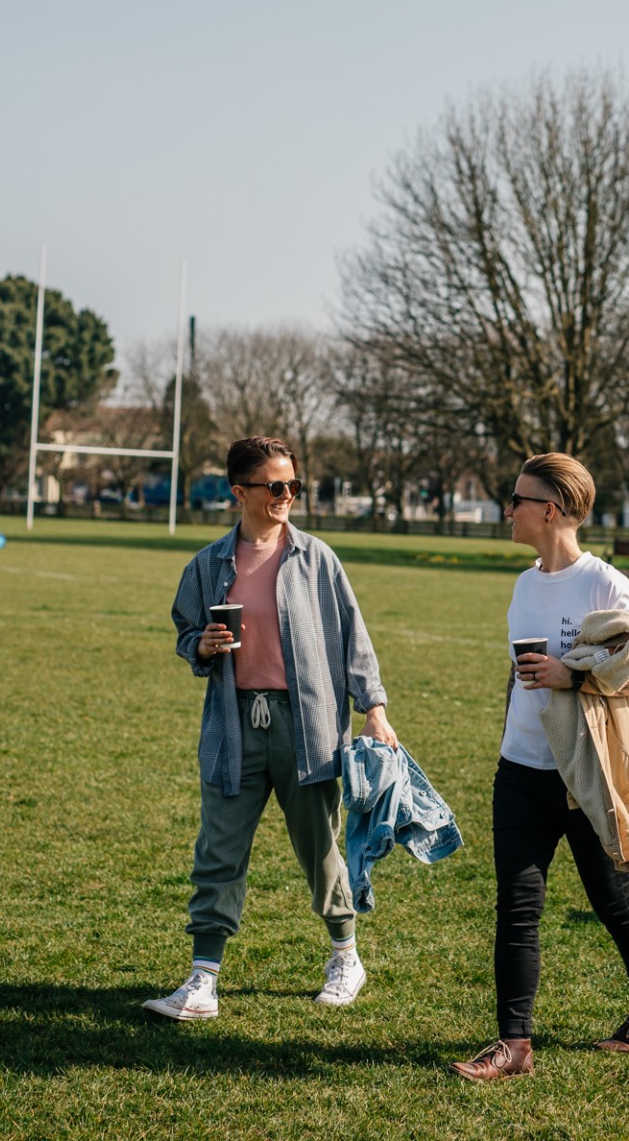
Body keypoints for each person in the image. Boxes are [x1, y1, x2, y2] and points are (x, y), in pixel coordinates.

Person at [145, 435, 398, 1023]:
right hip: (234, 727)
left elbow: (352, 637)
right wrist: (200, 646)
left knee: (321, 848)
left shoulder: (317, 559)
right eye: (275, 486)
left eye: (293, 486)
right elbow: (186, 631)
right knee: (219, 851)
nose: (287, 496)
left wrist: (375, 706)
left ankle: (345, 956)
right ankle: (203, 980)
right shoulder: (207, 565)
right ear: (240, 493)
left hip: (307, 727)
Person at [451, 452, 629, 1083]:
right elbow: (516, 678)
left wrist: (572, 674)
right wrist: (505, 741)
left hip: (587, 776)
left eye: (517, 499)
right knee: (516, 908)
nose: (508, 509)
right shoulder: (524, 585)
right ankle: (513, 1045)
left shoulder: (605, 585)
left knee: (612, 900)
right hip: (519, 771)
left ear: (548, 510)